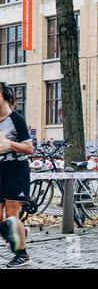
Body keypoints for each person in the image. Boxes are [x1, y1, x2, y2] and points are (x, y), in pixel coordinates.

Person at [0, 82, 33, 267]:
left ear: (3, 95)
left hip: (16, 170)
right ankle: (20, 232)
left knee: (12, 216)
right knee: (2, 221)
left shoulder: (16, 119)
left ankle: (22, 254)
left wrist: (10, 144)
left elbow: (29, 148)